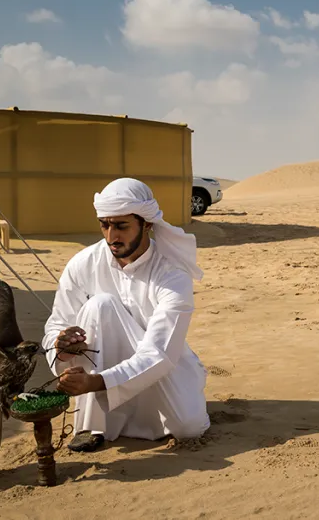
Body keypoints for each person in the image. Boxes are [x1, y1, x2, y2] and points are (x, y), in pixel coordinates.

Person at [42, 177, 211, 452]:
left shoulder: (171, 273)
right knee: (100, 305)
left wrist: (96, 382)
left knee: (189, 429)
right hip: (98, 371)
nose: (111, 236)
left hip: (160, 365)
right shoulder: (83, 264)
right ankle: (91, 425)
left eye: (121, 226)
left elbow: (159, 352)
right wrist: (60, 347)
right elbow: (57, 323)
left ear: (147, 224)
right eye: (104, 225)